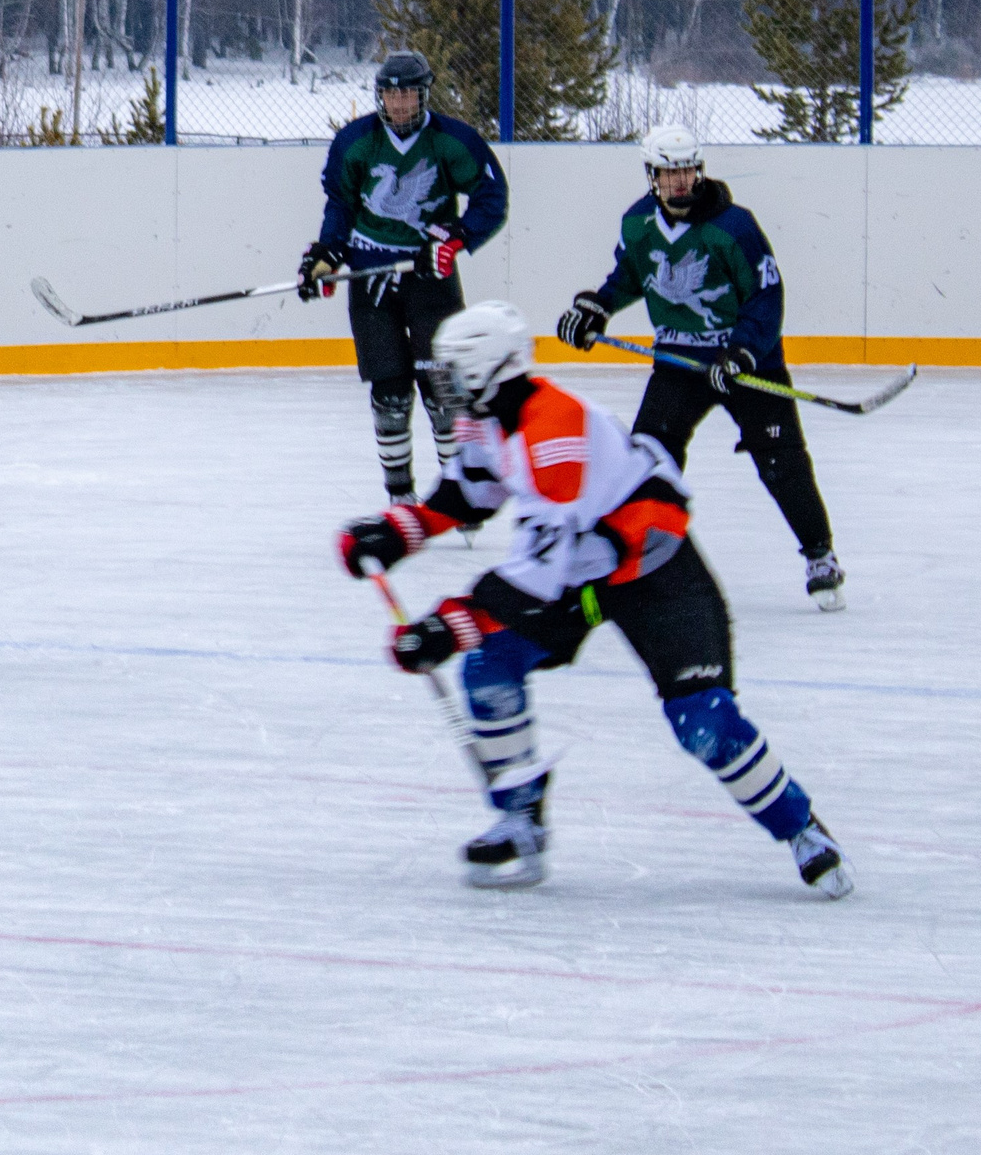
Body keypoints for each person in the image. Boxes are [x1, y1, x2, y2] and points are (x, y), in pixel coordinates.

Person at [338, 300, 851, 899]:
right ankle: (520, 821)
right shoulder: (486, 418)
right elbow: (465, 497)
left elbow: (533, 580)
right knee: (490, 668)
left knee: (704, 722)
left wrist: (445, 628)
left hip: (652, 570)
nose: (442, 385)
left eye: (453, 372)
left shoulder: (551, 433)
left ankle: (800, 829)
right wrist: (395, 533)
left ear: (489, 371)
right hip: (579, 571)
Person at [556, 126, 844, 608]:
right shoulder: (638, 223)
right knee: (647, 458)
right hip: (681, 361)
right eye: (669, 173)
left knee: (781, 461)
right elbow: (631, 275)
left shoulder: (735, 227)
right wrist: (597, 308)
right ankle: (639, 555)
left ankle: (820, 554)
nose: (680, 181)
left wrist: (742, 351)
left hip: (747, 364)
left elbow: (766, 296)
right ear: (652, 176)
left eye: (687, 170)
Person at [299, 51, 509, 502]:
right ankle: (400, 497)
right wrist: (328, 254)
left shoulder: (452, 141)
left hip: (429, 273)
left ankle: (457, 494)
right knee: (389, 391)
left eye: (408, 94)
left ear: (423, 95)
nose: (398, 104)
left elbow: (492, 198)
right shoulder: (355, 142)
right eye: (391, 95)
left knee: (443, 388)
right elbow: (341, 204)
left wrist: (456, 238)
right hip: (370, 273)